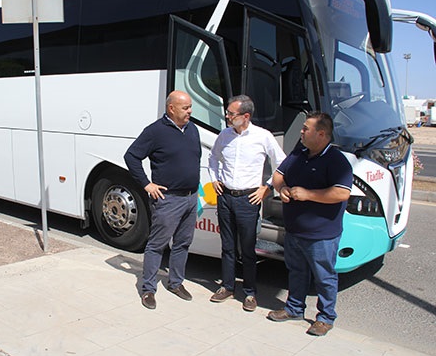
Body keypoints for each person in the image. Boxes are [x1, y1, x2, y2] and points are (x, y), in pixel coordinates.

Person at [268, 112, 352, 336]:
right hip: (295, 230)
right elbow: (278, 176)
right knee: (296, 272)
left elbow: (342, 193)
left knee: (324, 277)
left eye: (306, 129)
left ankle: (325, 317)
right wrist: (283, 188)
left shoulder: (336, 160)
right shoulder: (299, 153)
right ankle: (294, 308)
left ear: (321, 134)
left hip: (321, 235)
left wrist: (308, 194)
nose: (301, 132)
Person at [124, 90, 201, 310]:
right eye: (186, 107)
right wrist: (146, 184)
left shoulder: (192, 128)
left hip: (190, 197)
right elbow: (131, 156)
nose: (190, 111)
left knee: (183, 244)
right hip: (168, 200)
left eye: (190, 107)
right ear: (171, 108)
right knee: (157, 245)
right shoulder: (155, 131)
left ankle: (176, 283)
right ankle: (148, 289)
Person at [208, 95, 286, 311]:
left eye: (231, 113)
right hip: (226, 197)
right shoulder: (224, 136)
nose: (227, 116)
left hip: (248, 199)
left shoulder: (263, 136)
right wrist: (214, 179)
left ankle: (250, 293)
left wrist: (266, 188)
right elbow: (213, 158)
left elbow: (282, 163)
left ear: (245, 116)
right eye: (228, 112)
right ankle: (227, 286)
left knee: (249, 249)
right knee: (228, 246)